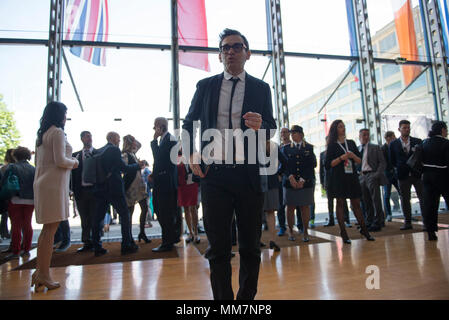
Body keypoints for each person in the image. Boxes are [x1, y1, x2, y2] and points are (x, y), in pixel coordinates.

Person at [182, 28, 276, 300]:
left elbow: (270, 126)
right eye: (225, 48)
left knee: (250, 247)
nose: (231, 51)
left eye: (237, 46)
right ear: (220, 54)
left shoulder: (261, 88)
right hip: (215, 176)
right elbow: (189, 123)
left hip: (249, 175)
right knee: (218, 248)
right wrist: (190, 154)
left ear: (248, 53)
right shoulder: (206, 86)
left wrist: (263, 127)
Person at [33, 101, 79, 291]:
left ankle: (40, 272)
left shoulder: (42, 134)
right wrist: (75, 162)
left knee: (46, 232)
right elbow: (61, 160)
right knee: (50, 232)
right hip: (53, 185)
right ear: (59, 114)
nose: (65, 118)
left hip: (45, 183)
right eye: (64, 114)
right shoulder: (57, 133)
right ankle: (43, 274)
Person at [92, 132, 143, 257]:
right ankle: (126, 245)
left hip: (100, 188)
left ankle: (97, 246)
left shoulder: (98, 151)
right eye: (117, 138)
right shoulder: (114, 150)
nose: (119, 140)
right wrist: (138, 165)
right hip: (114, 188)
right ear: (111, 138)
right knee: (124, 215)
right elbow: (124, 168)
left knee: (98, 218)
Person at [324, 120, 374, 244]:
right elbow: (328, 165)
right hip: (338, 178)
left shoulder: (351, 143)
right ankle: (343, 232)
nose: (343, 128)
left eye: (344, 126)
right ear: (335, 129)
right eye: (340, 127)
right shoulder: (332, 145)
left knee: (356, 203)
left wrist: (352, 156)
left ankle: (364, 230)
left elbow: (359, 161)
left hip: (351, 176)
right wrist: (342, 158)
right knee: (340, 203)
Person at [280, 125, 316, 242]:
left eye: (294, 132)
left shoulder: (309, 148)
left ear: (301, 134)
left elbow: (312, 165)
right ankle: (291, 231)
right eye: (291, 133)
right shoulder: (285, 149)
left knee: (305, 207)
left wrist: (302, 180)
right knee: (290, 207)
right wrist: (290, 177)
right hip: (290, 183)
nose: (291, 135)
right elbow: (283, 166)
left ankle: (305, 231)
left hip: (305, 183)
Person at [0, 147, 35, 259]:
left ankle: (16, 251)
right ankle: (27, 249)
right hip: (30, 200)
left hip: (15, 199)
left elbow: (4, 182)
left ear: (16, 156)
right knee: (28, 224)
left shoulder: (12, 167)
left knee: (16, 225)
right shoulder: (33, 169)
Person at [389, 120, 424, 230]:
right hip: (402, 174)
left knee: (422, 198)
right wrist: (399, 168)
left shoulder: (417, 141)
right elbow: (392, 160)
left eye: (408, 127)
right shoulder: (393, 144)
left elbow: (421, 157)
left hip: (416, 174)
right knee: (404, 199)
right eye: (404, 128)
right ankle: (407, 222)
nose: (407, 129)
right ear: (399, 129)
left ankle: (427, 222)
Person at [151, 117, 178, 252]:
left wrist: (153, 141)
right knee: (160, 211)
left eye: (155, 127)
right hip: (162, 181)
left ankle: (167, 242)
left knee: (164, 212)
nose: (154, 130)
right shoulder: (166, 140)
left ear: (160, 127)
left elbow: (159, 157)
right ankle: (170, 239)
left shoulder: (170, 140)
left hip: (165, 182)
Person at [421, 121, 449, 241]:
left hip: (427, 177)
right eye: (446, 130)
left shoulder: (425, 143)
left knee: (430, 205)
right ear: (442, 130)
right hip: (443, 176)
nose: (447, 132)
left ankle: (431, 232)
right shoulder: (446, 143)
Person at [122, 134, 151, 244]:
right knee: (130, 212)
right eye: (133, 141)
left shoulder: (133, 153)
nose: (135, 143)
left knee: (144, 208)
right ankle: (129, 237)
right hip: (131, 186)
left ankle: (142, 232)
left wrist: (133, 139)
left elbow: (140, 144)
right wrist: (137, 165)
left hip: (139, 185)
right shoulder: (125, 155)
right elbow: (124, 169)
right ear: (130, 143)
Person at [71, 131, 97, 252]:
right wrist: (72, 190)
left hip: (95, 191)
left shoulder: (98, 153)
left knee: (95, 218)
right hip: (81, 191)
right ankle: (87, 242)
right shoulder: (75, 156)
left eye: (90, 136)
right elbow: (72, 175)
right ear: (82, 139)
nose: (90, 138)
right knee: (84, 219)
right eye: (87, 136)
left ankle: (96, 241)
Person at [357, 128, 387, 231]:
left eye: (367, 135)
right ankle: (369, 221)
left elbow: (382, 162)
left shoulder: (375, 147)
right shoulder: (357, 149)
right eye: (364, 135)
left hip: (371, 175)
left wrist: (377, 174)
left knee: (376, 200)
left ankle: (378, 221)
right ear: (359, 136)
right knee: (366, 201)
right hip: (361, 176)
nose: (366, 137)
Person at [320, 136, 351, 227]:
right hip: (328, 180)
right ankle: (331, 219)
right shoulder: (322, 154)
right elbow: (322, 170)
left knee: (342, 200)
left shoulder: (338, 152)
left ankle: (346, 219)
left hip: (338, 179)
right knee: (330, 201)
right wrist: (322, 183)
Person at [262, 140, 286, 251]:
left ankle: (257, 240)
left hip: (255, 182)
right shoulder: (273, 146)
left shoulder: (250, 144)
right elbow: (285, 162)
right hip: (272, 181)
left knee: (255, 213)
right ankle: (273, 240)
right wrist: (279, 173)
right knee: (270, 213)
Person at [177, 149, 200, 244]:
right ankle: (190, 232)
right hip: (182, 185)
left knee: (193, 208)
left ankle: (196, 233)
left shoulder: (194, 155)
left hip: (192, 183)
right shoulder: (177, 156)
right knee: (186, 208)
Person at [381, 131, 400, 222]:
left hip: (395, 173)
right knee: (387, 195)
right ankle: (388, 214)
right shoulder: (383, 149)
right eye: (393, 137)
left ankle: (406, 212)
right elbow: (383, 162)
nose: (395, 138)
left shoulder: (394, 146)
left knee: (402, 193)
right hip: (387, 174)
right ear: (388, 138)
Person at [277, 127, 291, 236]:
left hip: (293, 177)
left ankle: (300, 225)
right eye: (281, 132)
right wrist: (279, 174)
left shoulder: (294, 146)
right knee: (280, 205)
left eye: (285, 132)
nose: (283, 134)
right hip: (281, 178)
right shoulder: (278, 147)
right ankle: (282, 226)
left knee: (296, 203)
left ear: (289, 133)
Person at [0, 149, 15, 242]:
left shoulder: (4, 168)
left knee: (5, 214)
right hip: (15, 196)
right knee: (14, 219)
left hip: (4, 195)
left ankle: (4, 232)